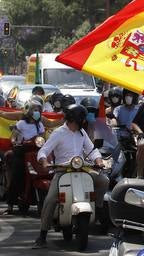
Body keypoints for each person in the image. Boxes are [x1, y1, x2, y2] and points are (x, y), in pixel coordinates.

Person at [32, 103, 108, 248]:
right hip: (62, 171)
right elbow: (43, 151)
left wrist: (99, 161)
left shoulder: (82, 133)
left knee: (104, 180)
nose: (84, 122)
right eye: (82, 119)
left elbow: (92, 150)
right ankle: (42, 235)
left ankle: (97, 207)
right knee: (50, 199)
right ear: (76, 119)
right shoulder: (58, 133)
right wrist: (43, 161)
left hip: (82, 169)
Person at [3, 99, 45, 215]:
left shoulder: (40, 124)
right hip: (21, 151)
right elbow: (13, 137)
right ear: (28, 111)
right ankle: (10, 205)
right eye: (34, 110)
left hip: (35, 152)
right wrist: (16, 142)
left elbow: (41, 138)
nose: (37, 112)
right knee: (17, 174)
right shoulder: (21, 123)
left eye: (38, 110)